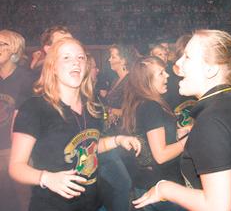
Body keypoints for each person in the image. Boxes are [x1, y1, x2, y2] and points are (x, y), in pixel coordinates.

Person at [133, 30, 231, 210]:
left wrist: (164, 189)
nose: (177, 63)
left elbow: (217, 207)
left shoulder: (211, 121)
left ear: (210, 69)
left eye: (187, 57)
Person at [9, 37, 141, 211]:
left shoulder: (92, 107)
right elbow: (16, 167)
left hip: (93, 204)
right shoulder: (34, 108)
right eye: (66, 58)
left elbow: (89, 146)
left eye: (80, 57)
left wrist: (117, 140)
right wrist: (47, 178)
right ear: (53, 67)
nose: (76, 62)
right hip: (53, 205)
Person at [122, 56, 188, 211]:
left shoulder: (142, 102)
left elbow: (151, 137)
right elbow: (161, 155)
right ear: (147, 79)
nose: (167, 75)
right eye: (161, 73)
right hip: (159, 185)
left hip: (146, 183)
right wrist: (189, 140)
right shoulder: (151, 107)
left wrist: (182, 131)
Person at [0, 30, 35, 211]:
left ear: (14, 49)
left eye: (2, 44)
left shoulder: (26, 78)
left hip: (16, 153)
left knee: (24, 201)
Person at [98, 44, 136, 211]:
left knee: (123, 182)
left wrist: (110, 110)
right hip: (111, 134)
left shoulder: (131, 81)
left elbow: (132, 111)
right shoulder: (116, 79)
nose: (109, 59)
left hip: (123, 134)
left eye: (113, 56)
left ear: (124, 59)